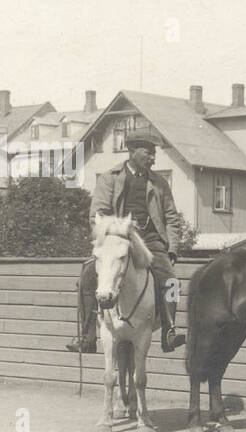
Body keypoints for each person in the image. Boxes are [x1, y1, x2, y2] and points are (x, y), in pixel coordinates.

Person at [64, 129, 186, 354]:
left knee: (171, 282)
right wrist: (112, 234)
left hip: (150, 239)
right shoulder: (110, 178)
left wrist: (172, 248)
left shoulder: (160, 183)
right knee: (88, 277)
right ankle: (88, 336)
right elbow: (96, 214)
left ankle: (169, 330)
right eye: (148, 152)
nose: (153, 157)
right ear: (132, 151)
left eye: (154, 153)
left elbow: (171, 217)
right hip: (117, 237)